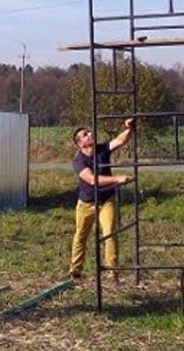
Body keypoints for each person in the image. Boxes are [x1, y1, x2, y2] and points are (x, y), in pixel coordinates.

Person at [69, 118, 135, 279]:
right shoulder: (78, 161)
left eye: (88, 132)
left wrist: (130, 128)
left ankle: (112, 272)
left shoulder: (101, 150)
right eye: (85, 135)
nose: (90, 134)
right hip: (86, 203)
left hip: (107, 200)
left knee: (110, 233)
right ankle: (75, 271)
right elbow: (92, 179)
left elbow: (119, 141)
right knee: (81, 236)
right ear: (80, 144)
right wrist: (117, 179)